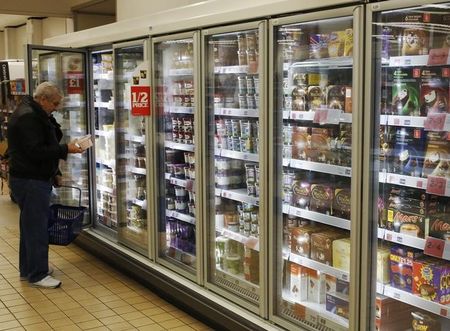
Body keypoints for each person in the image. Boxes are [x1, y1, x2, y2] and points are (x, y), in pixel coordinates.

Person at [7, 82, 84, 288]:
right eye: (55, 103)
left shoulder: (33, 112)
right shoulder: (29, 117)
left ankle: (28, 270)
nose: (56, 107)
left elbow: (41, 148)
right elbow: (36, 152)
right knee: (37, 228)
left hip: (31, 177)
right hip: (30, 180)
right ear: (43, 99)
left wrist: (55, 173)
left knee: (29, 226)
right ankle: (38, 274)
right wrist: (66, 149)